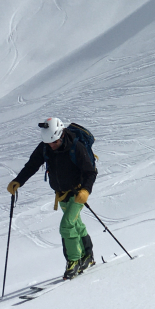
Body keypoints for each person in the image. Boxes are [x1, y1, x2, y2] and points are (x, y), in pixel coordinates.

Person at [7, 118, 97, 280]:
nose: (51, 145)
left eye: (54, 142)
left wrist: (85, 191)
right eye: (49, 143)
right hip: (61, 193)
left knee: (67, 225)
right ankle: (87, 257)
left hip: (77, 194)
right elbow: (32, 165)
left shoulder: (76, 147)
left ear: (61, 135)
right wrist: (18, 181)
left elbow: (90, 172)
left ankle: (74, 261)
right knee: (76, 225)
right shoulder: (45, 146)